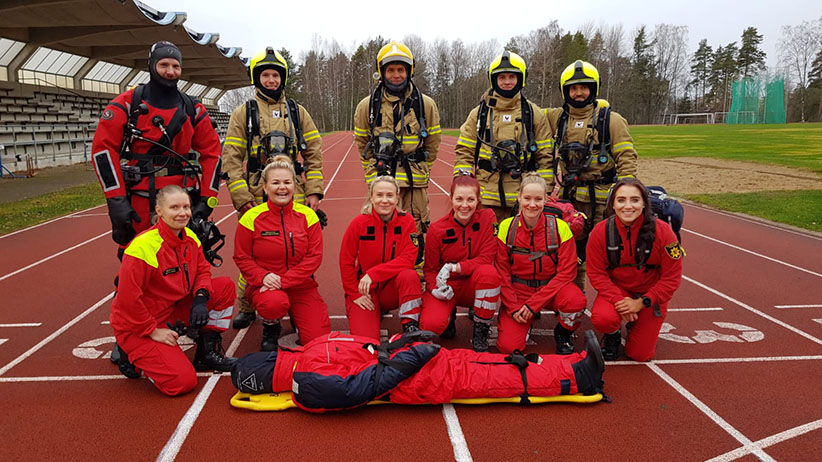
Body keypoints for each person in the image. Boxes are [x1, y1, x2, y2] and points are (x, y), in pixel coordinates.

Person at [231, 330, 605, 413]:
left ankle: (569, 364)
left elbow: (370, 351)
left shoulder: (310, 351)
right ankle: (578, 378)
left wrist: (402, 341)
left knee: (505, 361)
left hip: (417, 363)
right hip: (417, 381)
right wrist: (412, 357)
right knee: (498, 375)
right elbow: (362, 388)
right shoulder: (306, 385)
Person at [222, 47, 325, 330]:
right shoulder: (244, 113)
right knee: (256, 251)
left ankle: (298, 294)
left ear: (283, 78)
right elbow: (231, 158)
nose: (270, 80)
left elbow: (314, 151)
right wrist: (242, 198)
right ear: (257, 78)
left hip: (296, 190)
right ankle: (247, 303)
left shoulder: (297, 111)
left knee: (299, 247)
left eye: (275, 75)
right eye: (265, 75)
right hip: (257, 190)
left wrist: (314, 190)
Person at [92, 41, 222, 255]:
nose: (170, 72)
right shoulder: (127, 104)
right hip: (141, 199)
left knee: (184, 258)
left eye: (175, 66)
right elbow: (103, 151)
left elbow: (212, 153)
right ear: (151, 65)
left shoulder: (193, 109)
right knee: (136, 257)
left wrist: (208, 198)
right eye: (164, 65)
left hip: (183, 199)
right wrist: (116, 200)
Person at [110, 185, 236, 396]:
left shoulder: (190, 237)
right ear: (159, 211)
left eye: (186, 206)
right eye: (174, 207)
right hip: (138, 324)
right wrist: (153, 330)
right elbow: (127, 302)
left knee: (223, 287)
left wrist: (200, 298)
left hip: (171, 311)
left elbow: (203, 270)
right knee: (182, 383)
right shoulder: (142, 247)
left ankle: (206, 352)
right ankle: (130, 354)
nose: (182, 213)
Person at [542, 60, 638, 290]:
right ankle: (574, 303)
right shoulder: (557, 117)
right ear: (565, 90)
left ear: (593, 89)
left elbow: (627, 158)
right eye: (573, 88)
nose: (579, 92)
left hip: (603, 201)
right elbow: (528, 113)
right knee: (572, 253)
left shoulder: (612, 120)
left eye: (584, 87)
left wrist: (627, 196)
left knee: (611, 253)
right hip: (571, 200)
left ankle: (613, 303)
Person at [353, 40, 442, 257]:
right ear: (382, 72)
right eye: (390, 70)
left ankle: (416, 281)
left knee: (416, 230)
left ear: (409, 71)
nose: (396, 75)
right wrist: (372, 174)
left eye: (400, 69)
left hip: (415, 182)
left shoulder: (425, 104)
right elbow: (362, 142)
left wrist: (424, 168)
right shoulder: (367, 106)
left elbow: (433, 142)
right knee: (378, 230)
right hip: (381, 181)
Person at [233, 156, 331, 351]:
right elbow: (242, 257)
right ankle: (271, 325)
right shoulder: (251, 218)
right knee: (273, 303)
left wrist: (284, 281)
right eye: (275, 183)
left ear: (295, 185)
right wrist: (264, 277)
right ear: (265, 187)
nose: (282, 188)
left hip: (301, 286)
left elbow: (314, 258)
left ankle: (297, 313)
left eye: (287, 182)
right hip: (265, 286)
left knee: (316, 340)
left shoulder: (308, 216)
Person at [586, 178, 684, 361]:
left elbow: (672, 278)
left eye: (635, 200)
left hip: (650, 294)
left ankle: (637, 324)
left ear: (644, 204)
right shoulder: (600, 232)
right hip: (618, 291)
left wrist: (642, 302)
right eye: (621, 200)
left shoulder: (664, 232)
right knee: (603, 318)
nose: (628, 206)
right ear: (612, 204)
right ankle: (613, 334)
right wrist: (620, 301)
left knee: (639, 355)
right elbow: (596, 273)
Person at [453, 51, 555, 222]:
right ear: (494, 80)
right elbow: (464, 151)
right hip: (485, 197)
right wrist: (463, 184)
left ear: (520, 79)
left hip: (522, 200)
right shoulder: (479, 113)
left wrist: (543, 191)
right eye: (502, 77)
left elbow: (545, 156)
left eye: (512, 77)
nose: (507, 82)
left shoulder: (533, 113)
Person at [495, 174, 586, 355]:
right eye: (527, 198)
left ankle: (563, 332)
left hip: (552, 290)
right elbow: (502, 273)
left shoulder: (560, 228)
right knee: (508, 348)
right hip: (519, 292)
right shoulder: (506, 227)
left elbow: (566, 274)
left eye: (538, 199)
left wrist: (533, 306)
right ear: (519, 197)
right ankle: (520, 322)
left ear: (546, 199)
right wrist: (513, 308)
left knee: (576, 301)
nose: (532, 204)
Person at [419, 175, 500, 352]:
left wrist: (454, 267)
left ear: (478, 200)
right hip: (448, 287)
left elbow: (486, 258)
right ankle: (449, 315)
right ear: (451, 199)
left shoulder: (488, 218)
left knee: (489, 274)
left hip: (474, 285)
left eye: (471, 199)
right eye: (459, 199)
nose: (465, 205)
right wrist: (434, 289)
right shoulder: (437, 229)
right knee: (430, 326)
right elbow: (430, 269)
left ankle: (480, 330)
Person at [339, 176, 423, 339]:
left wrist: (374, 274)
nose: (384, 200)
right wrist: (354, 294)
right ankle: (369, 311)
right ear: (371, 197)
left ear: (397, 198)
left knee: (410, 276)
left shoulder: (407, 222)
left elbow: (408, 259)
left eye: (390, 195)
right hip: (366, 291)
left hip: (392, 288)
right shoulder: (359, 223)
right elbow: (346, 260)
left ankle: (410, 326)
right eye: (379, 195)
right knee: (366, 340)